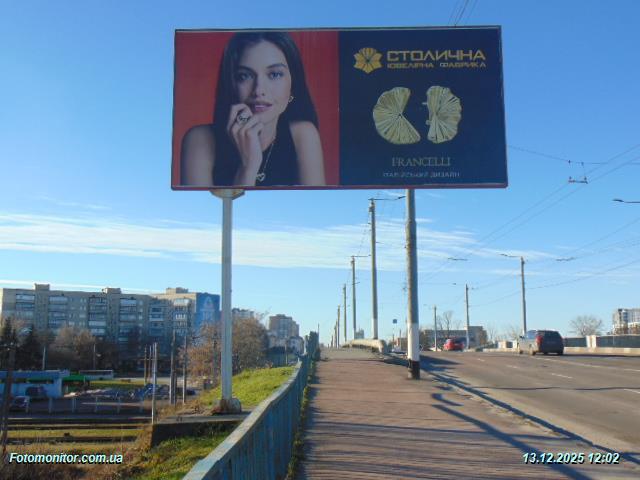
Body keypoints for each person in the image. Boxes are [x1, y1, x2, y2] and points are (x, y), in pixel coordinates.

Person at [181, 32, 326, 187]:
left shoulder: (304, 135)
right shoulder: (200, 140)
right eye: (244, 76)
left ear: (293, 83)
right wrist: (247, 167)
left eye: (274, 74)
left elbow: (318, 203)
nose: (258, 90)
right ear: (231, 84)